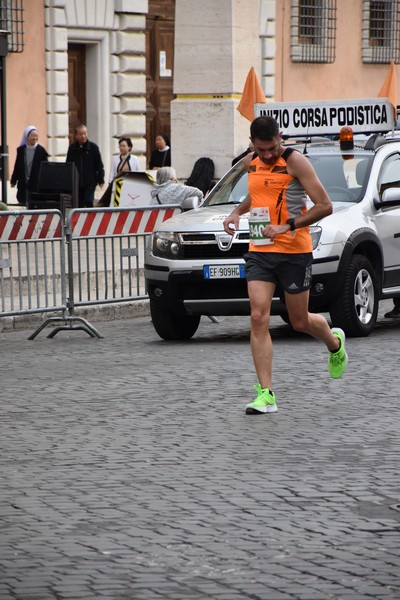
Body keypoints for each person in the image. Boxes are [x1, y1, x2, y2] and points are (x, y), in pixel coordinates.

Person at [223, 116, 348, 415]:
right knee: (257, 316)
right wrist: (237, 212)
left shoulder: (296, 162)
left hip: (294, 251)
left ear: (280, 137)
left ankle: (334, 342)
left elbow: (324, 205)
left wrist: (287, 226)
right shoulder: (250, 161)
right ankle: (266, 394)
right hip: (260, 250)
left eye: (272, 147)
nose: (267, 154)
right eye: (261, 149)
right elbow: (257, 195)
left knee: (299, 320)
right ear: (252, 143)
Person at [66, 124, 105, 207]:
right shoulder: (72, 149)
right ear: (76, 136)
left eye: (85, 133)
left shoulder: (93, 148)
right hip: (76, 183)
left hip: (90, 182)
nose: (83, 136)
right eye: (81, 134)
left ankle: (90, 219)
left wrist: (101, 179)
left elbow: (99, 165)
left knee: (89, 201)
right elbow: (68, 165)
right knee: (78, 204)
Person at [10, 125, 49, 207]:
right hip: (23, 183)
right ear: (27, 136)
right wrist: (13, 180)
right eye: (32, 135)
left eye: (36, 136)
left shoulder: (41, 151)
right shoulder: (21, 150)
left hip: (36, 183)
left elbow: (46, 169)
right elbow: (17, 166)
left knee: (34, 204)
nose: (34, 138)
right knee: (23, 203)